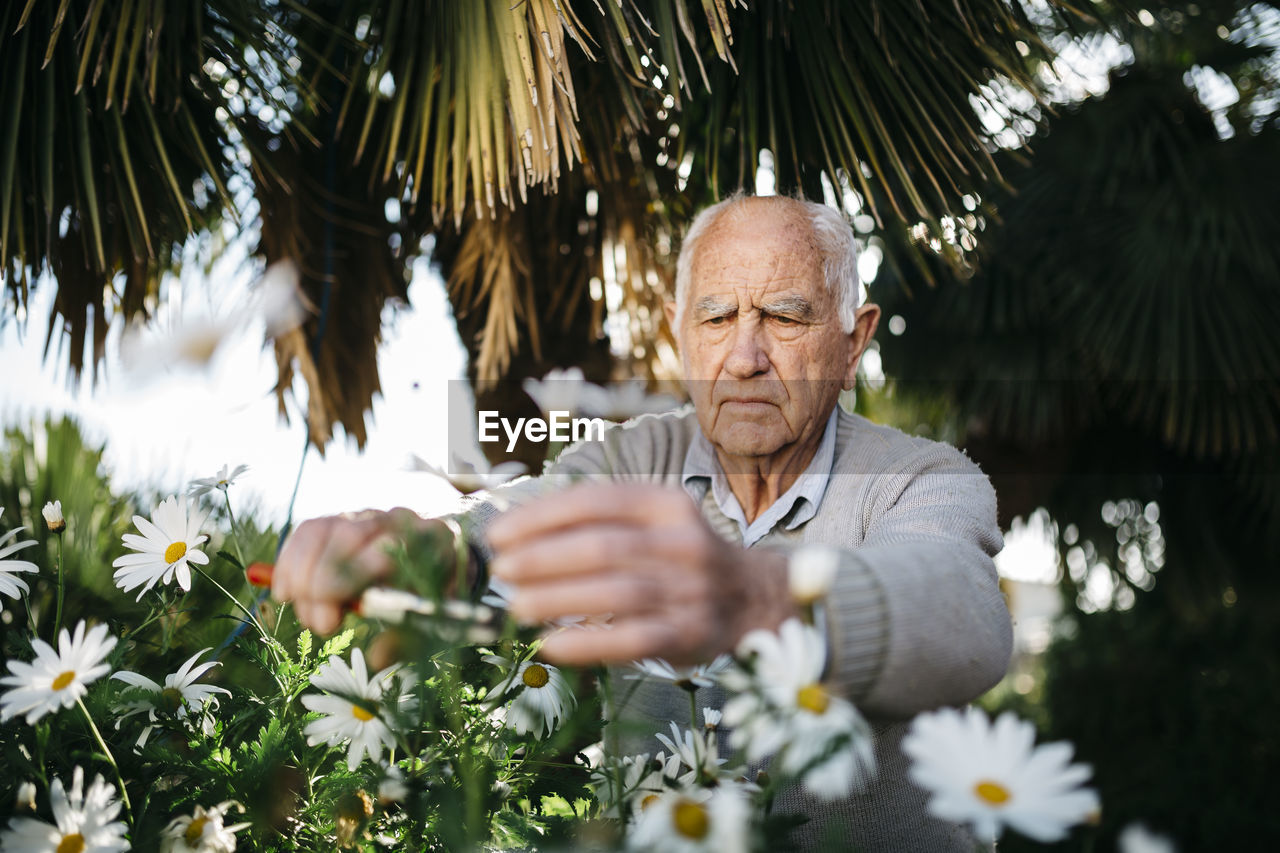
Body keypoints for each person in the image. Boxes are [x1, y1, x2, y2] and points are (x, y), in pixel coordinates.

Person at [272, 194, 1012, 850]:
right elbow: (509, 526)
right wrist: (422, 547)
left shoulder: (926, 477)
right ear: (678, 333)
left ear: (853, 343)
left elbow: (961, 610)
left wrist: (760, 596)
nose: (745, 356)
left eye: (786, 316)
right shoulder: (632, 457)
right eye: (716, 316)